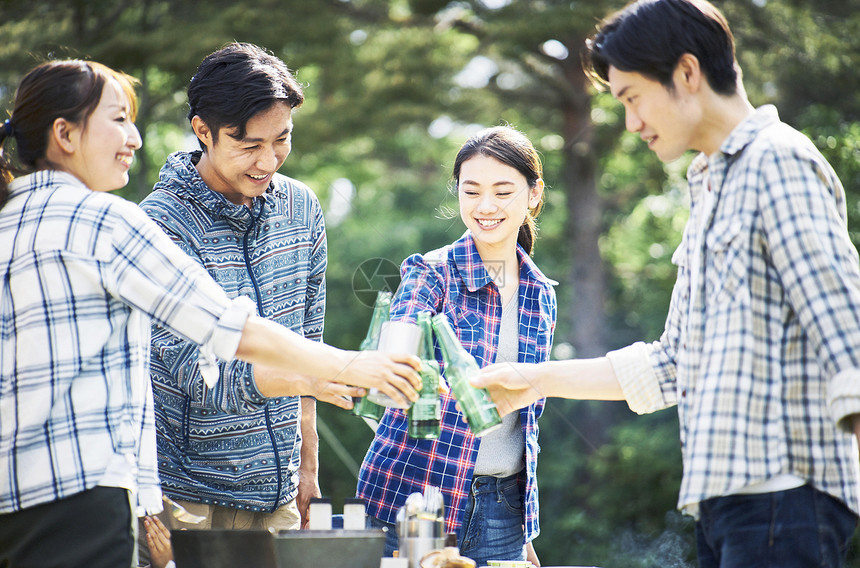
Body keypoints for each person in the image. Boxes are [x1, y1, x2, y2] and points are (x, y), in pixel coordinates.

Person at [472, 1, 860, 566]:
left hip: (785, 498)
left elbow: (846, 330)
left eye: (631, 97)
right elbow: (673, 363)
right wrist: (532, 380)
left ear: (686, 73)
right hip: (727, 503)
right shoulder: (708, 186)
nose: (630, 122)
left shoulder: (776, 162)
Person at [0, 59, 420, 568]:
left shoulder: (11, 219)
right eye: (117, 120)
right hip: (127, 495)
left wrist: (306, 458)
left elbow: (300, 329)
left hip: (25, 497)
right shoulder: (117, 223)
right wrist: (345, 366)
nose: (133, 137)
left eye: (281, 140)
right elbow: (224, 333)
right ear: (64, 134)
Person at [134, 42, 325, 565]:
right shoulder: (159, 226)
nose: (268, 161)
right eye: (248, 145)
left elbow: (310, 341)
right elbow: (195, 378)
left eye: (282, 139)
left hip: (280, 494)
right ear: (203, 131)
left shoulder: (301, 208)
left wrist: (308, 465)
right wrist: (314, 376)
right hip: (187, 499)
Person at [356, 126, 557, 566]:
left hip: (503, 508)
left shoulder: (541, 293)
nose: (486, 207)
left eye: (503, 191)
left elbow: (526, 422)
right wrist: (402, 362)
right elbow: (399, 341)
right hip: (414, 499)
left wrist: (520, 530)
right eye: (472, 191)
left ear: (533, 195)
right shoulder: (430, 273)